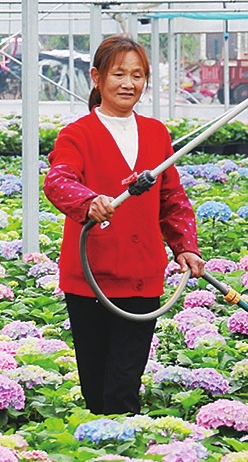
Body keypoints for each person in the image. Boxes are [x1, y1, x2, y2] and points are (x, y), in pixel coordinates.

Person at [44, 35, 205, 414]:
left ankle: (123, 446)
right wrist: (88, 201)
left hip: (141, 276)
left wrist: (185, 247)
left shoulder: (156, 133)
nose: (128, 84)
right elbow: (58, 180)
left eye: (137, 75)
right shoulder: (77, 134)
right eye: (119, 74)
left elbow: (172, 198)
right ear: (97, 78)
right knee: (95, 386)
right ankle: (101, 444)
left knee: (123, 387)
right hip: (90, 280)